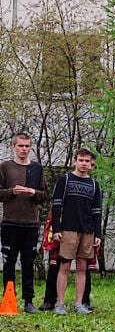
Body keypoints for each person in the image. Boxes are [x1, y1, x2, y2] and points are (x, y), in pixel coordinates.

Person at [50, 147, 103, 316]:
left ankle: (79, 304)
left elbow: (97, 211)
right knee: (64, 266)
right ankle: (60, 304)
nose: (84, 164)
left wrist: (98, 234)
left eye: (87, 161)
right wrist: (56, 229)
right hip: (68, 230)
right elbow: (56, 206)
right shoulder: (64, 180)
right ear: (75, 161)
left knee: (82, 267)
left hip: (87, 231)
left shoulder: (94, 185)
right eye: (81, 160)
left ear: (91, 164)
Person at [0, 131, 47, 314]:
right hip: (10, 223)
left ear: (31, 147)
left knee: (28, 263)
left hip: (31, 224)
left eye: (27, 146)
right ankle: (8, 298)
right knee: (9, 263)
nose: (24, 149)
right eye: (20, 145)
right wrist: (13, 191)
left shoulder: (37, 168)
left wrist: (33, 193)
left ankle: (28, 301)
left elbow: (44, 195)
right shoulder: (5, 167)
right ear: (14, 146)